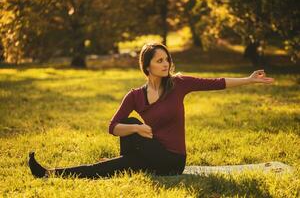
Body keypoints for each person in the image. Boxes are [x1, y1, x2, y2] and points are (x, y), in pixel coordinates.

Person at [28, 42, 274, 179]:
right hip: (150, 152)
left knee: (114, 164)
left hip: (172, 160)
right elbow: (112, 127)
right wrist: (136, 127)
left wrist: (249, 79)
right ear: (147, 67)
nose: (165, 64)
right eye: (159, 60)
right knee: (126, 125)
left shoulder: (179, 84)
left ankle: (53, 173)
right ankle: (50, 173)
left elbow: (217, 83)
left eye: (167, 59)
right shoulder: (135, 95)